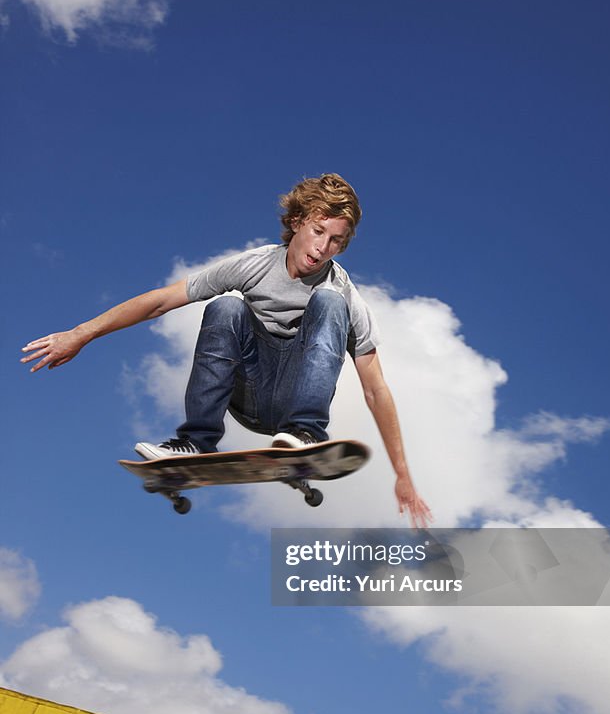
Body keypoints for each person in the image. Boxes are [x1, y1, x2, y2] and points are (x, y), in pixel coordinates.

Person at [22, 173, 431, 528]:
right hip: (247, 392)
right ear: (296, 223)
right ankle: (197, 441)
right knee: (227, 305)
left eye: (336, 241)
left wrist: (403, 474)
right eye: (318, 231)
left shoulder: (343, 292)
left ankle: (305, 433)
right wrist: (81, 333)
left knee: (329, 303)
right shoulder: (254, 265)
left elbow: (376, 389)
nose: (323, 248)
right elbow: (163, 300)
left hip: (294, 400)